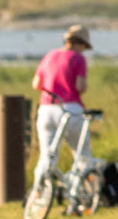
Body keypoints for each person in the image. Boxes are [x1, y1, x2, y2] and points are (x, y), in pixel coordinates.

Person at [32, 24, 94, 192]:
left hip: (46, 109)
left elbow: (36, 84)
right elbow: (80, 86)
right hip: (70, 109)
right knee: (82, 155)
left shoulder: (50, 55)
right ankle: (81, 192)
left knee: (47, 156)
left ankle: (39, 193)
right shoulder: (78, 59)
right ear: (80, 43)